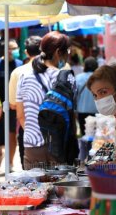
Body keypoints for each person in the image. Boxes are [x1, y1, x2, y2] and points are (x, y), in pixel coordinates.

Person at [16, 31, 76, 169]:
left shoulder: (23, 77)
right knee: (60, 189)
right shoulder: (66, 77)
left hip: (32, 147)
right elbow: (72, 115)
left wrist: (35, 133)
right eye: (66, 51)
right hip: (59, 146)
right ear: (57, 52)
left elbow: (20, 115)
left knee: (36, 190)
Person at [0, 39, 23, 170]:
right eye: (11, 48)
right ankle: (0, 152)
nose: (14, 51)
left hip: (13, 105)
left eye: (16, 48)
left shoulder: (20, 64)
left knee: (12, 134)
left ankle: (10, 162)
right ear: (5, 50)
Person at [9, 36, 42, 170]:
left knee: (30, 173)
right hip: (51, 128)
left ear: (26, 53)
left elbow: (13, 105)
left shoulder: (18, 72)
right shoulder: (54, 72)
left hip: (27, 128)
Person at [75, 57, 98, 163]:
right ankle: (94, 157)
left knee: (85, 135)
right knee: (97, 135)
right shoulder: (99, 78)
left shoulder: (78, 78)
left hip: (82, 111)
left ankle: (86, 156)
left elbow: (74, 95)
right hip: (97, 111)